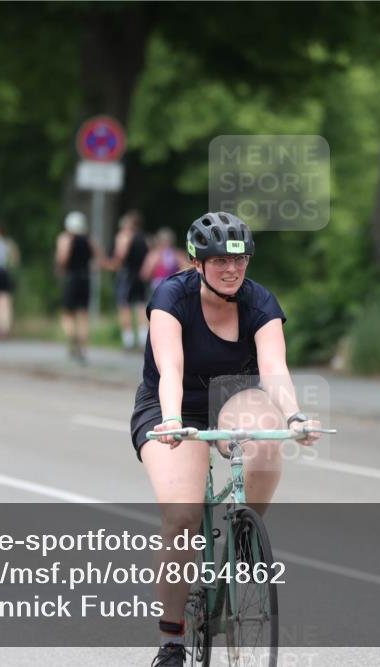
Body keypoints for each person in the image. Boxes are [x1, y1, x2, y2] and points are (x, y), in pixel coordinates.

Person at [130, 212, 323, 666]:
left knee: (266, 442)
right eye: (219, 260)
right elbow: (170, 368)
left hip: (234, 395)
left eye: (239, 259)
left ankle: (245, 535)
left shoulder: (260, 302)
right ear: (197, 263)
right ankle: (171, 641)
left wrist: (294, 415)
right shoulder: (171, 297)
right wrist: (173, 420)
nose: (231, 269)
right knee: (182, 516)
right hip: (171, 403)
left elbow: (273, 368)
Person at [54, 211, 108, 362]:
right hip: (86, 279)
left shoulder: (65, 239)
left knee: (67, 313)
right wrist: (93, 267)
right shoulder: (89, 240)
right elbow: (100, 258)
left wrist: (60, 268)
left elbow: (62, 258)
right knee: (83, 315)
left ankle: (73, 339)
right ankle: (82, 348)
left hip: (71, 278)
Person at [110, 210, 150, 350]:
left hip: (127, 275)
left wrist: (111, 264)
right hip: (141, 276)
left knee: (124, 306)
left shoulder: (124, 237)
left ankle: (128, 341)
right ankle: (143, 339)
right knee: (141, 306)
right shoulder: (144, 238)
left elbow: (120, 256)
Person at [140, 227, 189, 293]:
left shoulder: (154, 255)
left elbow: (145, 275)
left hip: (157, 288)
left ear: (159, 241)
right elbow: (188, 273)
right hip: (174, 288)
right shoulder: (179, 255)